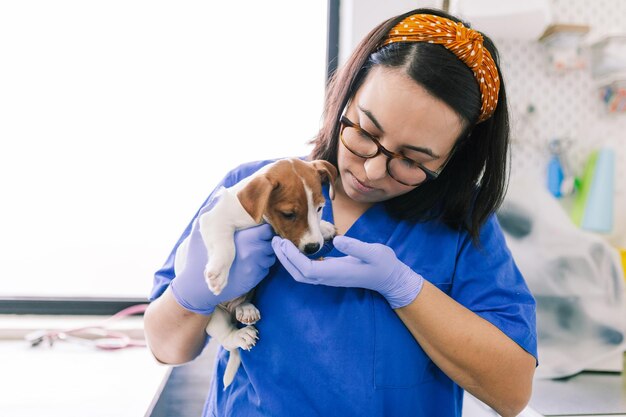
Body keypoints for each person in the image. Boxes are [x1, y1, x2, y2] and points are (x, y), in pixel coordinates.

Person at [144, 7, 537, 417]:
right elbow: (166, 347)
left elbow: (512, 391)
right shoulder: (253, 190)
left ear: (452, 157)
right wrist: (196, 292)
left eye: (411, 160)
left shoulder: (459, 223)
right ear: (346, 94)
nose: (372, 170)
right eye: (365, 133)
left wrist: (406, 289)